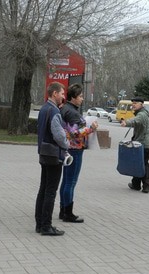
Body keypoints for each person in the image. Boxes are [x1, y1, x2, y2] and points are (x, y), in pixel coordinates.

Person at [59, 83, 98, 223]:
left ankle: (63, 210)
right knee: (71, 181)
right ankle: (67, 213)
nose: (82, 99)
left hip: (67, 148)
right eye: (80, 96)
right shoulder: (73, 112)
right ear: (73, 97)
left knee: (66, 181)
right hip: (75, 150)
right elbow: (75, 133)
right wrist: (91, 129)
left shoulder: (64, 108)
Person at [35, 82, 69, 236]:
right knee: (50, 191)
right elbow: (59, 136)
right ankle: (46, 226)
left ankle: (39, 223)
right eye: (62, 93)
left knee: (43, 189)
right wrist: (67, 144)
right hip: (54, 154)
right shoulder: (54, 111)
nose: (63, 96)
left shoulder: (43, 109)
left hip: (43, 152)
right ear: (55, 93)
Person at [120, 97, 149, 194]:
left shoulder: (142, 114)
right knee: (140, 163)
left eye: (136, 103)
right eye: (132, 103)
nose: (133, 104)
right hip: (148, 143)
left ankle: (146, 185)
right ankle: (136, 184)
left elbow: (135, 120)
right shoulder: (145, 112)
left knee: (143, 163)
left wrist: (126, 122)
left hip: (145, 144)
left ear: (141, 104)